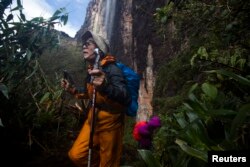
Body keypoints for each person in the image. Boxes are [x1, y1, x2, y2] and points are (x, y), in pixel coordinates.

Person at [61, 30, 131, 167]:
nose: (84, 46)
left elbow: (125, 97)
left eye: (88, 44)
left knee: (108, 163)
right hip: (92, 119)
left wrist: (105, 85)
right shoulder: (92, 70)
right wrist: (72, 89)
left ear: (99, 49)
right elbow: (89, 92)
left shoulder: (112, 70)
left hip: (110, 123)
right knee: (76, 155)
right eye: (84, 44)